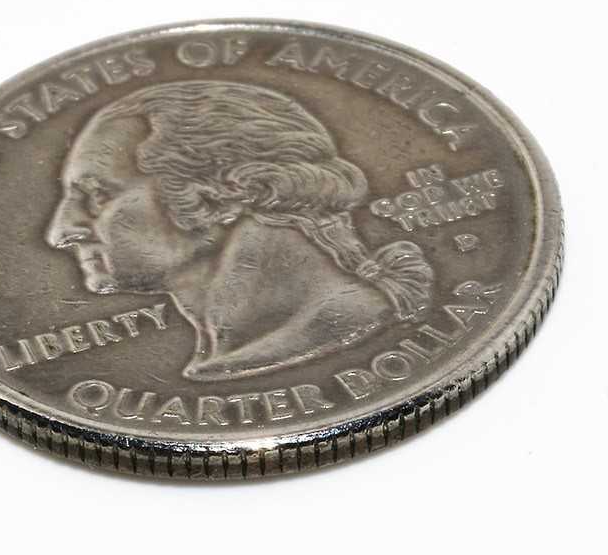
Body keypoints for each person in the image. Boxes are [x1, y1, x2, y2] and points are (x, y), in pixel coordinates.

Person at [46, 81, 432, 381]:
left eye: (97, 196)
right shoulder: (236, 350)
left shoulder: (337, 326)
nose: (61, 233)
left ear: (220, 195)